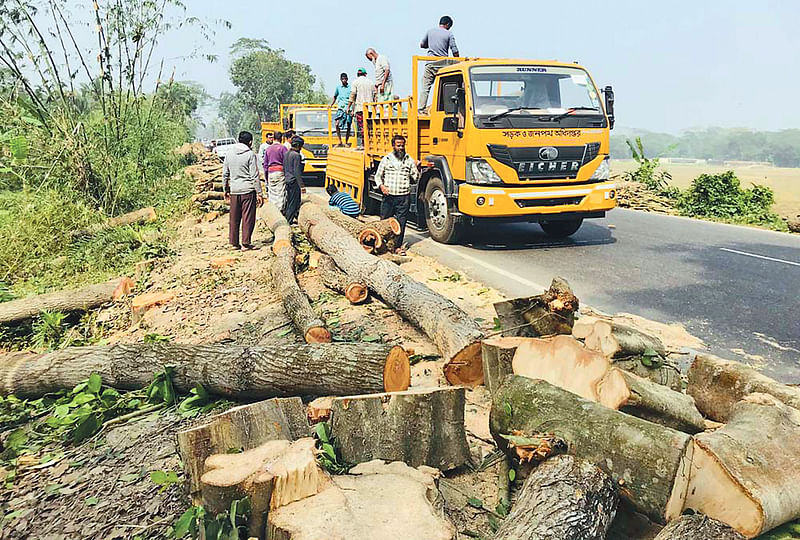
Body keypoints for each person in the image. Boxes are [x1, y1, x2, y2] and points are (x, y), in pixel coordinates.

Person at [374, 134, 419, 253]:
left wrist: (417, 168)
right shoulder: (386, 159)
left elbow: (415, 178)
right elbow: (378, 176)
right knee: (384, 221)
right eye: (398, 145)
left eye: (402, 145)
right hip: (389, 196)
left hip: (403, 196)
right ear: (393, 146)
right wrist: (381, 186)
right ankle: (382, 246)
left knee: (401, 223)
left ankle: (397, 247)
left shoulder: (409, 160)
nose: (401, 148)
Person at [223, 131, 263, 250]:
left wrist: (226, 189)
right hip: (248, 190)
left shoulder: (229, 154)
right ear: (250, 142)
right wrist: (259, 192)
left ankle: (234, 243)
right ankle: (246, 243)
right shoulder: (250, 154)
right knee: (248, 217)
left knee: (234, 217)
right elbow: (254, 176)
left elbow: (225, 174)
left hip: (234, 190)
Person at [419, 15, 460, 113]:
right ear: (448, 25)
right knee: (446, 85)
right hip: (443, 65)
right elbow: (454, 50)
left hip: (430, 63)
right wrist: (459, 62)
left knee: (426, 87)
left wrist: (431, 44)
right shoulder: (449, 34)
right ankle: (446, 108)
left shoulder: (430, 31)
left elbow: (422, 45)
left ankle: (421, 108)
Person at [347, 68, 375, 148]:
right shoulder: (370, 82)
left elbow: (352, 95)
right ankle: (369, 143)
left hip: (360, 108)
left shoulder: (355, 82)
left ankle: (364, 144)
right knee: (368, 126)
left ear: (357, 74)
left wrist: (348, 107)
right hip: (369, 108)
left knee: (362, 126)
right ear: (365, 74)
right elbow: (375, 95)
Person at [282, 136, 306, 224]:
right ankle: (288, 221)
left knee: (289, 200)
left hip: (287, 179)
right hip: (293, 181)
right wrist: (302, 186)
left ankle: (289, 218)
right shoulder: (296, 155)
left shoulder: (287, 153)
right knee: (294, 202)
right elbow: (297, 172)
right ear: (299, 146)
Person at [264, 131, 288, 211]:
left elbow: (265, 165)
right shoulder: (283, 148)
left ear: (273, 138)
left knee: (272, 192)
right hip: (280, 172)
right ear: (281, 138)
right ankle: (280, 211)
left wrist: (266, 176)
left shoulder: (268, 149)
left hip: (270, 172)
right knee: (280, 192)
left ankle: (273, 210)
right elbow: (286, 161)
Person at [329, 73, 353, 147]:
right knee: (337, 124)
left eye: (345, 79)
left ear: (347, 79)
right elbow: (335, 96)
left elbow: (353, 98)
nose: (344, 80)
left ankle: (346, 141)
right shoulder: (338, 87)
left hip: (348, 109)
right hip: (341, 108)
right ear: (340, 79)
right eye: (342, 79)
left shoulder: (351, 87)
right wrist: (331, 104)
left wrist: (353, 110)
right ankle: (340, 141)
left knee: (348, 125)